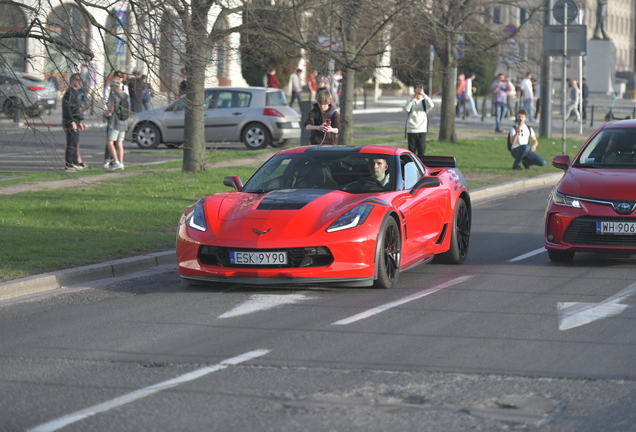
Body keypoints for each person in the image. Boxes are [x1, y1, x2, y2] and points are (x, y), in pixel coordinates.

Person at [102, 73, 129, 168]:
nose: (111, 88)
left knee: (110, 142)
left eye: (112, 86)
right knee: (120, 143)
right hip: (124, 121)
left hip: (115, 121)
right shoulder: (126, 95)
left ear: (114, 86)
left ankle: (116, 161)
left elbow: (111, 109)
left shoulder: (114, 96)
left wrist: (108, 111)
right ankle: (121, 163)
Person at [62, 73, 85, 172]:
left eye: (80, 80)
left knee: (75, 143)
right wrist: (72, 121)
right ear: (71, 80)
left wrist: (79, 121)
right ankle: (69, 164)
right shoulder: (69, 93)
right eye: (77, 80)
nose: (79, 82)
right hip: (70, 122)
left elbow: (75, 109)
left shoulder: (75, 93)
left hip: (75, 121)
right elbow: (67, 109)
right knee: (71, 143)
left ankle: (75, 162)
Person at [404, 83, 434, 156]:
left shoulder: (424, 101)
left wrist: (424, 95)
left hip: (422, 128)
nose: (419, 91)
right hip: (411, 129)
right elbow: (407, 109)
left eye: (420, 89)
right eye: (417, 89)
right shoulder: (410, 100)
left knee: (422, 149)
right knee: (411, 150)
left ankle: (421, 166)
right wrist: (414, 98)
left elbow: (431, 105)